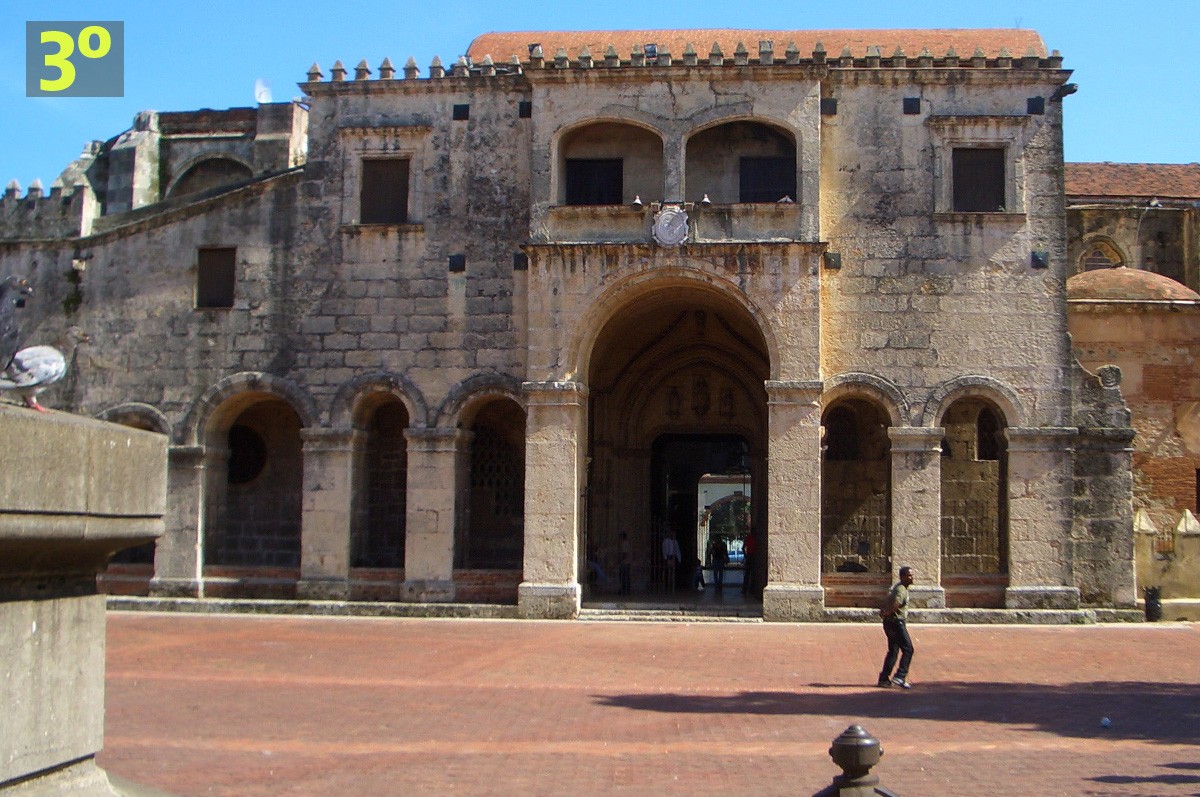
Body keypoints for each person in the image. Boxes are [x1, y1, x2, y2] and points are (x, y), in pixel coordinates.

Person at [878, 566, 915, 689]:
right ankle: (900, 676)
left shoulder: (899, 587)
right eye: (909, 575)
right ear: (903, 576)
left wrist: (884, 613)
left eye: (912, 575)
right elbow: (895, 604)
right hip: (896, 623)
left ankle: (884, 679)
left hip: (890, 622)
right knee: (908, 649)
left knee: (893, 650)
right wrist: (886, 613)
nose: (912, 577)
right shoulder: (901, 590)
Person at [741, 528, 757, 596]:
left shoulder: (748, 538)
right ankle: (752, 588)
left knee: (747, 573)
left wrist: (745, 555)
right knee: (752, 573)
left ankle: (746, 588)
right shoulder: (755, 538)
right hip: (753, 556)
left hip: (749, 556)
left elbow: (743, 548)